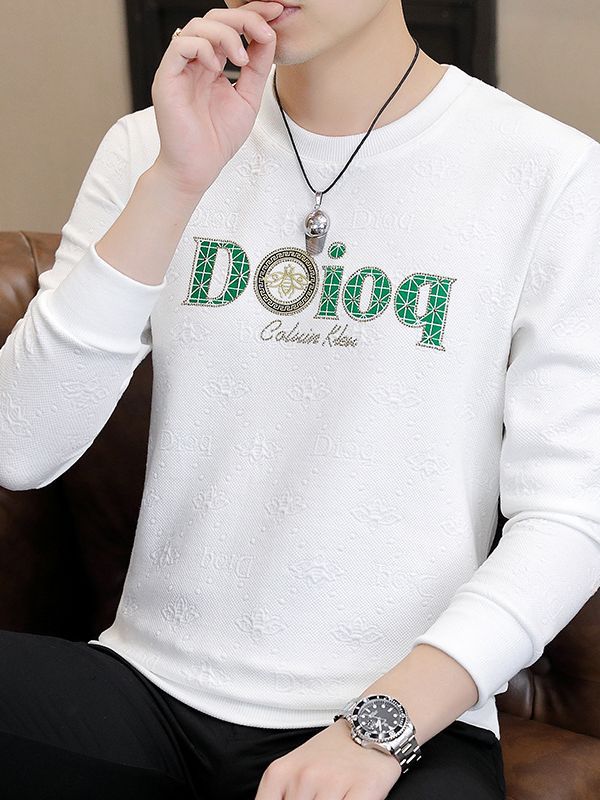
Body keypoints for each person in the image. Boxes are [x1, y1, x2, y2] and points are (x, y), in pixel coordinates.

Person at [0, 1, 599, 798]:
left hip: (400, 718)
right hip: (146, 690)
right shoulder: (150, 145)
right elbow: (19, 450)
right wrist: (176, 181)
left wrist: (377, 729)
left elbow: (568, 518)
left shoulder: (551, 173)